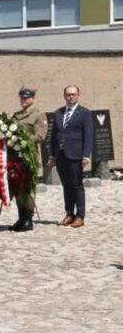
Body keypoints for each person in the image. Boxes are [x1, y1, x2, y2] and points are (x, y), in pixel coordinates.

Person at [48, 85, 93, 228]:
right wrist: (52, 155)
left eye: (73, 94)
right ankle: (69, 214)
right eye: (68, 94)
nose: (71, 96)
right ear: (64, 96)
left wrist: (86, 155)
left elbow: (88, 135)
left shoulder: (84, 113)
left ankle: (80, 216)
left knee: (77, 185)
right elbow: (54, 135)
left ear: (78, 96)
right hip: (61, 155)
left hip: (76, 155)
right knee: (66, 186)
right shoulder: (58, 113)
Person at [12, 87, 49, 232]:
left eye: (26, 98)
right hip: (15, 158)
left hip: (29, 157)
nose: (24, 101)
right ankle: (21, 217)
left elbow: (40, 136)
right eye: (22, 98)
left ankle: (28, 219)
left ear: (32, 99)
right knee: (17, 188)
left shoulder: (39, 115)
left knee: (28, 189)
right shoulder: (16, 116)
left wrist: (22, 140)